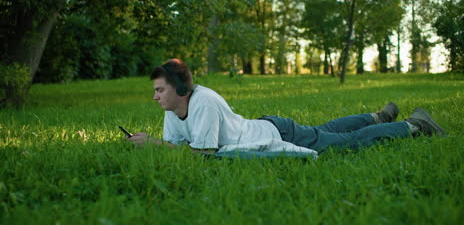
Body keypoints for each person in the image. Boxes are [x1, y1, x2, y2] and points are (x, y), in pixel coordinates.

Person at [128, 59, 447, 157]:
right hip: (271, 125)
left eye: (160, 90)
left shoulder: (204, 103)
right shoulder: (172, 111)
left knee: (342, 145)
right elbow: (178, 145)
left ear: (181, 89)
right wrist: (154, 145)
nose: (155, 97)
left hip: (277, 133)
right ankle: (377, 117)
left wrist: (154, 145)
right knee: (326, 132)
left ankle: (414, 125)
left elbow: (204, 153)